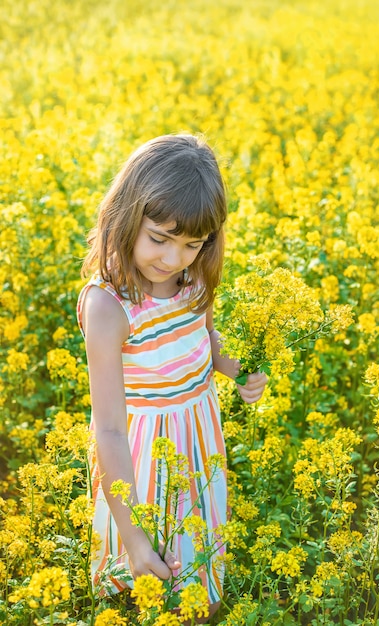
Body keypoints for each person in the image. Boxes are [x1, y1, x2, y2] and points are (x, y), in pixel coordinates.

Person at [77, 134, 267, 620]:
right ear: (126, 214)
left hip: (199, 442)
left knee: (196, 577)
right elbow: (110, 429)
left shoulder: (193, 277)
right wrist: (135, 537)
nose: (172, 258)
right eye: (159, 238)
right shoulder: (109, 306)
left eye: (192, 244)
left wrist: (237, 369)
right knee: (145, 581)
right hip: (141, 458)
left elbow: (204, 338)